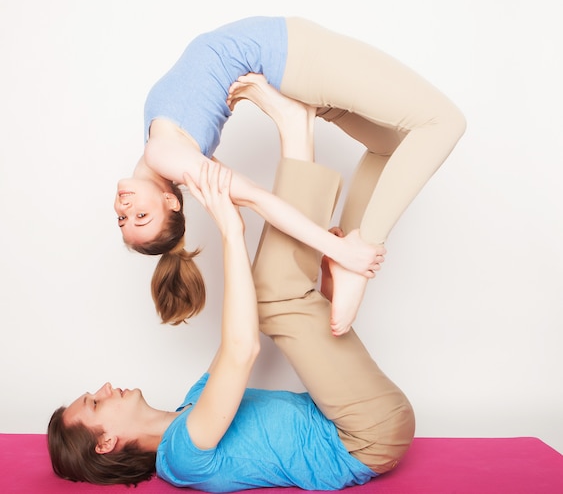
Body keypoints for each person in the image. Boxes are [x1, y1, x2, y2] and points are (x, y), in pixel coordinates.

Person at [49, 94, 415, 489]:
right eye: (96, 403)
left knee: (269, 299)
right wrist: (231, 229)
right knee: (271, 300)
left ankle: (307, 136)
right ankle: (296, 133)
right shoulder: (180, 457)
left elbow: (242, 332)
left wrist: (219, 192)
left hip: (349, 416)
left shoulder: (194, 402)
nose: (104, 388)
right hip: (363, 439)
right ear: (105, 442)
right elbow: (242, 349)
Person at [116, 16, 465, 334]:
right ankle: (359, 253)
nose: (126, 207)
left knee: (387, 148)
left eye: (124, 219)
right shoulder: (165, 156)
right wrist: (341, 250)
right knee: (443, 122)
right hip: (289, 54)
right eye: (140, 217)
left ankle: (350, 254)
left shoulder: (176, 155)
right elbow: (259, 199)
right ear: (170, 202)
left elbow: (247, 199)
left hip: (284, 66)